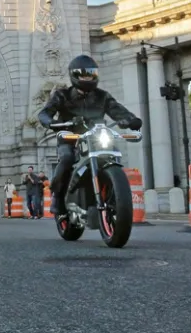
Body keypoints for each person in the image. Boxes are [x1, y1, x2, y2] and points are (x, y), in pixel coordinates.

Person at [38, 54, 142, 221]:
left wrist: (130, 119)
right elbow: (44, 113)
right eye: (84, 74)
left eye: (91, 74)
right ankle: (57, 197)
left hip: (96, 137)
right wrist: (52, 123)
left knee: (113, 154)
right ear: (75, 75)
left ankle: (111, 192)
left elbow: (117, 109)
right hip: (71, 137)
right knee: (66, 159)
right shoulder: (62, 95)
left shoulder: (103, 96)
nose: (88, 77)